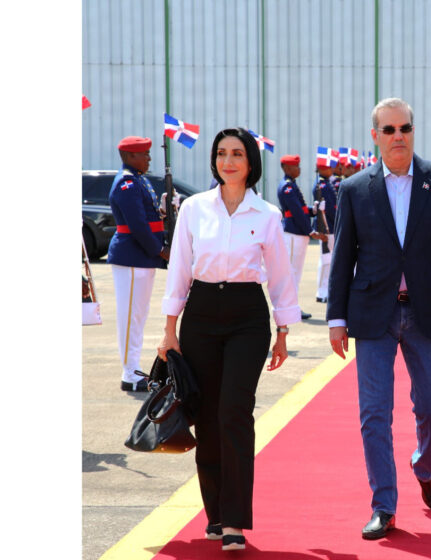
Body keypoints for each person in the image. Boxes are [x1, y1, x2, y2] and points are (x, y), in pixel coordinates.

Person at [327, 97, 431, 540]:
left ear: (413, 131)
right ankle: (384, 505)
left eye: (404, 129)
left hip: (427, 311)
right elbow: (342, 257)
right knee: (374, 413)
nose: (397, 137)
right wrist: (336, 317)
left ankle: (424, 468)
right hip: (373, 313)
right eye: (388, 130)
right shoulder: (354, 189)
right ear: (374, 136)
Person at [158, 127, 301, 551]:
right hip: (200, 314)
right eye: (221, 153)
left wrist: (283, 331)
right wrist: (169, 329)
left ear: (251, 162)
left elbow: (280, 277)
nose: (228, 161)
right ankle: (216, 515)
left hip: (246, 318)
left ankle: (236, 520)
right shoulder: (194, 209)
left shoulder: (268, 215)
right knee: (207, 416)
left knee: (234, 412)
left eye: (237, 153)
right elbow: (180, 268)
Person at [107, 136, 169, 392]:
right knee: (131, 318)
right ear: (131, 157)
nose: (149, 158)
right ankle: (130, 374)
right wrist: (161, 250)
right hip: (133, 257)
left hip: (140, 258)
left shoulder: (136, 180)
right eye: (144, 154)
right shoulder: (127, 183)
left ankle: (132, 368)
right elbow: (138, 226)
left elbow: (149, 217)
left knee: (138, 316)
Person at [276, 154, 321, 320]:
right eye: (296, 166)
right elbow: (296, 212)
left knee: (295, 272)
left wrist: (312, 210)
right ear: (287, 169)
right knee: (292, 272)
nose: (299, 169)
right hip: (294, 232)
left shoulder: (291, 185)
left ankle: (291, 305)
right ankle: (290, 306)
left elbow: (301, 209)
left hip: (296, 231)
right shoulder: (287, 187)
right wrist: (310, 230)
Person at [312, 160, 337, 303]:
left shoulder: (325, 184)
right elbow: (329, 210)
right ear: (322, 169)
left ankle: (325, 290)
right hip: (327, 227)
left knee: (329, 260)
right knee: (326, 261)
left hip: (330, 227)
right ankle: (322, 291)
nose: (331, 170)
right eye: (328, 168)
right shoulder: (322, 185)